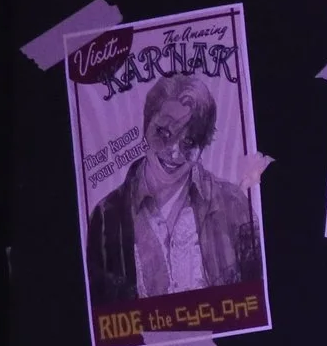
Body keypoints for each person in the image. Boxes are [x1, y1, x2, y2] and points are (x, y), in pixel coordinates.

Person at [83, 72, 262, 307]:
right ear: (146, 126)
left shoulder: (234, 205)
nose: (174, 152)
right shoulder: (106, 216)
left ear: (202, 146)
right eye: (164, 133)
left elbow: (258, 301)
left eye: (189, 142)